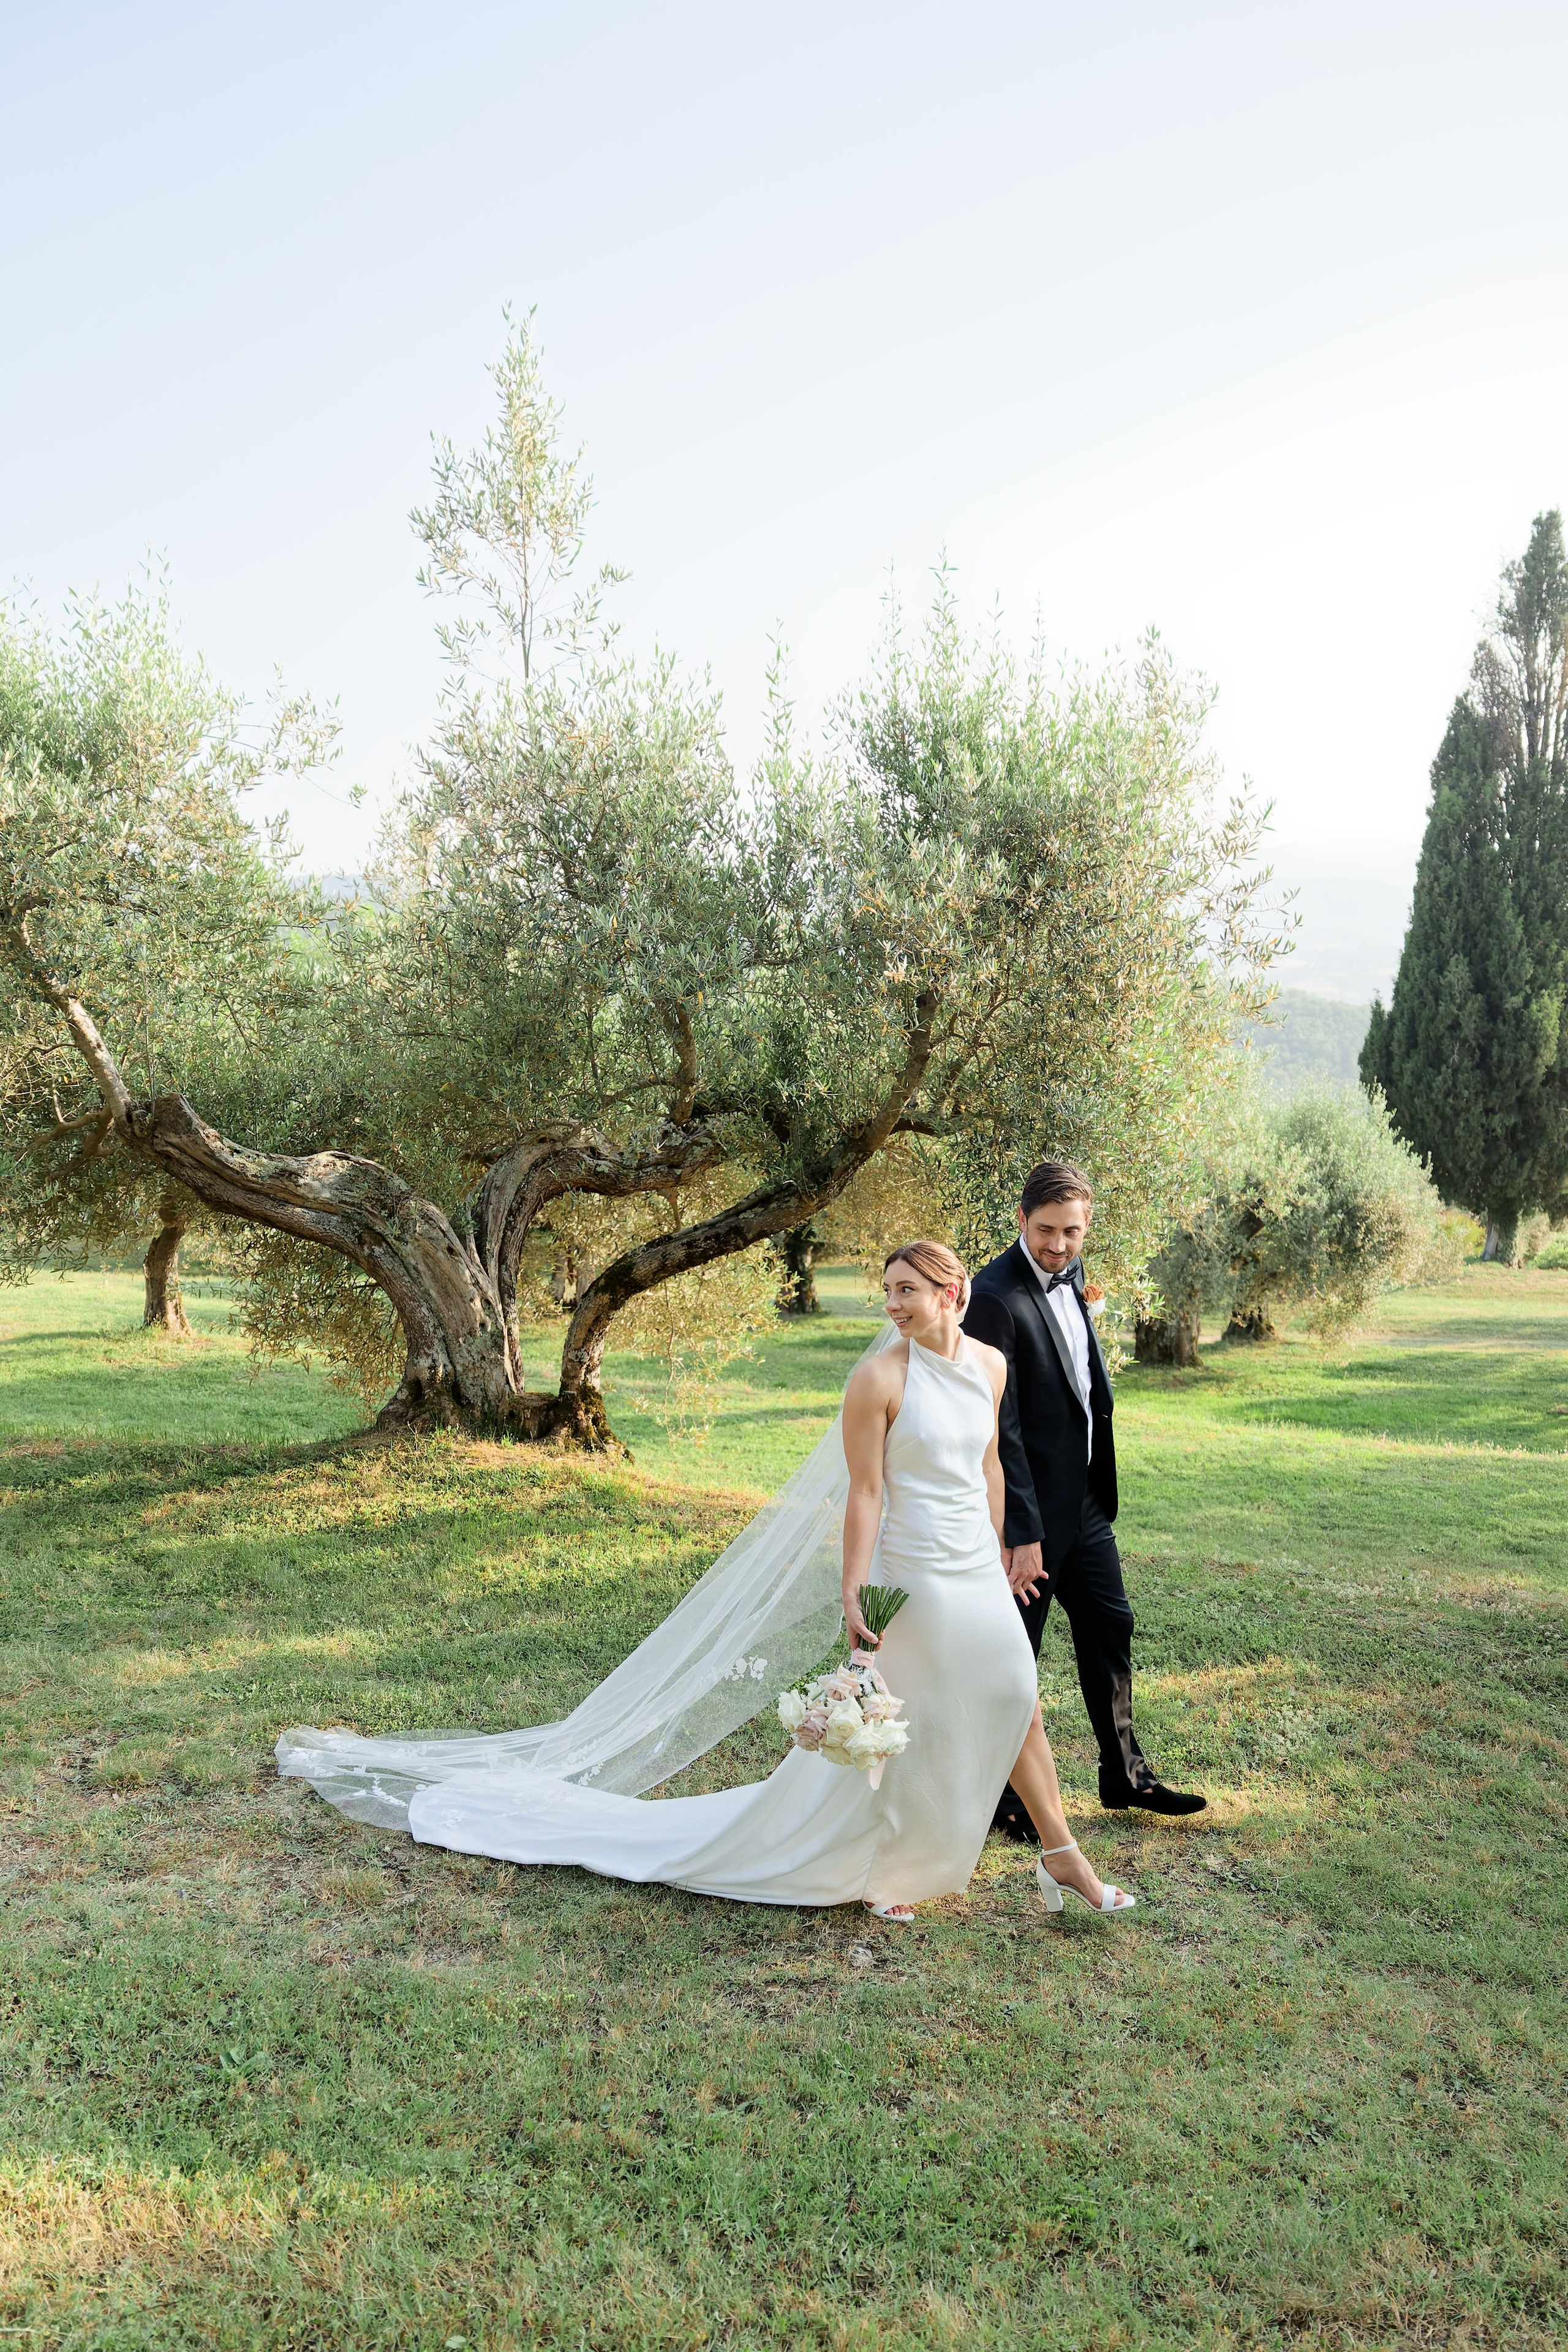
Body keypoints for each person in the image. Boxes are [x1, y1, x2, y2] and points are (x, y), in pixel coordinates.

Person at [278, 1240, 1135, 1922]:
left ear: (952, 1295)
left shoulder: (988, 1364)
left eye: (909, 1290)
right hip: (913, 1577)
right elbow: (866, 1494)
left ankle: (1052, 1858)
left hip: (972, 1569)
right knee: (947, 1716)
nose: (893, 1306)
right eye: (887, 1292)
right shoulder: (878, 1379)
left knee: (1013, 1692)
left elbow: (990, 1466)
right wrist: (853, 1590)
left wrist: (996, 1549)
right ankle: (966, 1866)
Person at [964, 1163, 1207, 1833]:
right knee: (1017, 1656)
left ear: (1087, 1224)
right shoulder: (992, 1296)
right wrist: (1021, 1530)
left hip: (1087, 1508)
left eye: (1072, 1232)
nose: (1059, 1246)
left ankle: (1125, 1776)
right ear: (1020, 1219)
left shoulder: (1072, 1280)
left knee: (1110, 1626)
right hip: (1030, 1519)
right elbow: (998, 1426)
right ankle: (1001, 1801)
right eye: (1045, 1231)